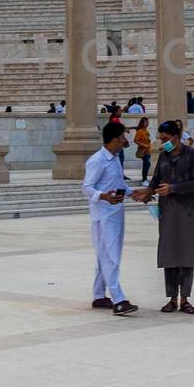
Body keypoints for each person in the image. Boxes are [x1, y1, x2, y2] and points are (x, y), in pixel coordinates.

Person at [134, 120, 194, 314]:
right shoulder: (164, 157)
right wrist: (147, 192)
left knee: (186, 255)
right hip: (168, 211)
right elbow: (156, 180)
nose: (163, 142)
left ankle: (185, 299)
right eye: (161, 139)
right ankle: (172, 298)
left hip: (189, 211)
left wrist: (172, 188)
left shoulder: (193, 155)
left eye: (166, 139)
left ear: (176, 136)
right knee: (170, 254)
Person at [83, 121, 136, 316]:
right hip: (103, 216)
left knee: (104, 256)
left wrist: (134, 193)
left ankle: (98, 295)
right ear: (115, 140)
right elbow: (87, 187)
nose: (125, 140)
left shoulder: (114, 159)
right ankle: (119, 299)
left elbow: (117, 184)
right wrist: (104, 196)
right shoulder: (97, 160)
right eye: (123, 137)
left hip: (116, 213)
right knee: (111, 257)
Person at [133, 117, 152, 182]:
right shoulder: (140, 131)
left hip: (148, 151)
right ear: (142, 123)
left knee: (147, 164)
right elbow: (135, 140)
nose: (147, 123)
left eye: (148, 122)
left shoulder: (146, 131)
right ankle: (144, 180)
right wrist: (144, 145)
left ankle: (145, 179)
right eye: (146, 122)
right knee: (146, 164)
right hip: (143, 151)